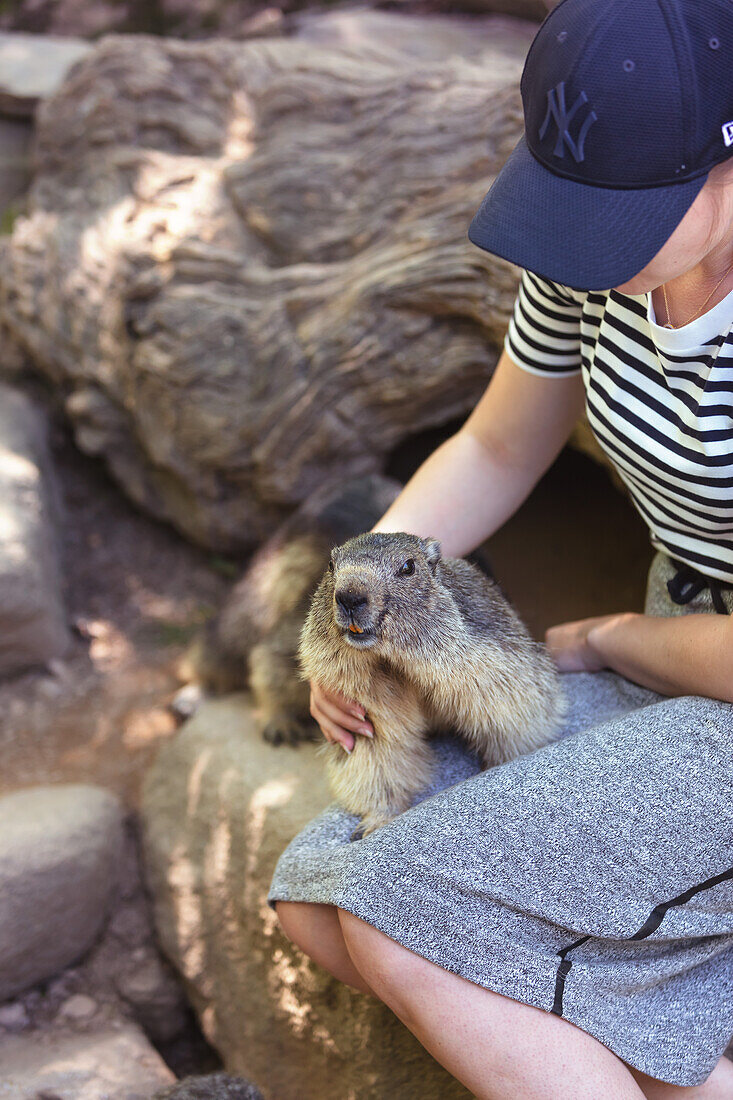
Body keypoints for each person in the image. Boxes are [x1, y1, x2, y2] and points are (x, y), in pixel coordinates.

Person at [267, 1, 733, 1096]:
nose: (580, 244)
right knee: (314, 894)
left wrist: (609, 636)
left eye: (619, 213)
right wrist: (364, 611)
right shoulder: (591, 264)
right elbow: (494, 444)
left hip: (694, 665)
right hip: (677, 648)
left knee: (406, 919)